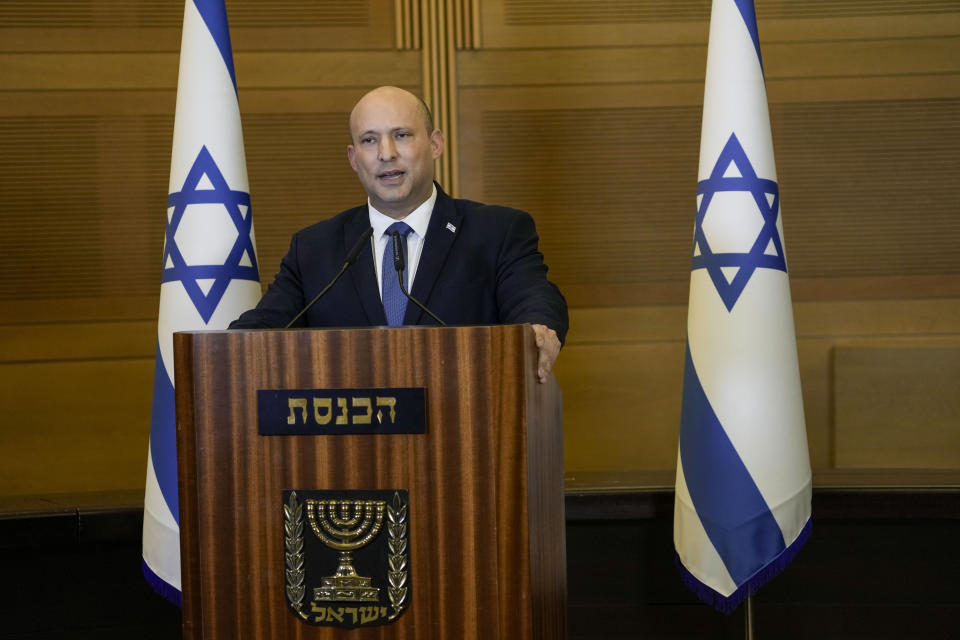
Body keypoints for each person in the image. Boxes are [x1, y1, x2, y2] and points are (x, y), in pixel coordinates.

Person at [230, 86, 567, 383]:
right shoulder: (314, 249)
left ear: (435, 144)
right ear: (353, 158)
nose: (386, 153)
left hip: (465, 435)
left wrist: (538, 328)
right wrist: (219, 350)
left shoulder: (497, 232)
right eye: (369, 140)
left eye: (402, 135)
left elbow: (533, 298)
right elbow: (264, 327)